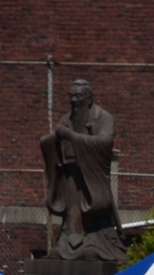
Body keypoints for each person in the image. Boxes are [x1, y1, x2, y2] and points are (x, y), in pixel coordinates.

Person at [40, 79, 126, 261]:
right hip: (71, 174)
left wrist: (73, 137)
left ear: (89, 99)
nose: (73, 100)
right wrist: (52, 139)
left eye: (78, 96)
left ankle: (94, 242)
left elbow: (105, 143)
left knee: (91, 210)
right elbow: (51, 141)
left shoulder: (104, 118)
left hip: (91, 176)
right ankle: (67, 244)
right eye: (71, 96)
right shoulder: (67, 119)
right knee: (72, 213)